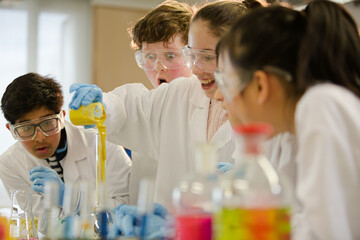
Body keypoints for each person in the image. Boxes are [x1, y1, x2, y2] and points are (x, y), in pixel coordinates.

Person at [70, 1, 283, 238]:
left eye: (207, 57)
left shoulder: (271, 115)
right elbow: (133, 108)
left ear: (241, 55)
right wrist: (103, 106)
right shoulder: (181, 93)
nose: (197, 68)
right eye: (192, 55)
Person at [214, 1, 360, 239]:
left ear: (260, 85)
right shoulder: (292, 128)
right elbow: (299, 220)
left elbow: (328, 234)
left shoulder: (321, 105)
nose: (220, 96)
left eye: (226, 82)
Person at [0, 73, 132, 228]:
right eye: (26, 128)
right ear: (12, 130)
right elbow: (43, 225)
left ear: (62, 117)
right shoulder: (10, 164)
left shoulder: (102, 141)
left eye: (47, 123)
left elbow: (128, 208)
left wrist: (70, 198)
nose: (40, 137)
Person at [126, 0, 195, 205]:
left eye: (170, 55)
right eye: (149, 57)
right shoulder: (145, 110)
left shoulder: (209, 109)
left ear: (193, 55)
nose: (158, 67)